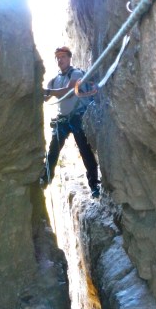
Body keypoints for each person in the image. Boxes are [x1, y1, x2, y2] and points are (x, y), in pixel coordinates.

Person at [39, 46, 100, 198]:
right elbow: (45, 96)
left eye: (63, 57)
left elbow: (68, 91)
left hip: (77, 117)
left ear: (69, 58)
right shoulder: (55, 80)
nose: (60, 60)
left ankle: (94, 185)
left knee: (85, 151)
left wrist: (48, 92)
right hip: (62, 120)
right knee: (53, 150)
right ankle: (45, 179)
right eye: (58, 58)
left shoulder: (76, 73)